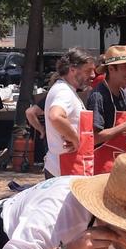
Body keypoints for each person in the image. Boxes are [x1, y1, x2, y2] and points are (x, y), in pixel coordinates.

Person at [87, 45, 126, 169]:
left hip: (120, 165)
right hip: (103, 168)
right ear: (111, 68)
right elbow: (94, 138)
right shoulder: (98, 96)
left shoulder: (122, 94)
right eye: (124, 67)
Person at [41, 48, 94, 177]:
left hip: (66, 167)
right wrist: (75, 139)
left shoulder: (65, 90)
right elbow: (55, 116)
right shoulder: (64, 92)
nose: (93, 75)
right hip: (64, 168)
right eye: (88, 71)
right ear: (72, 70)